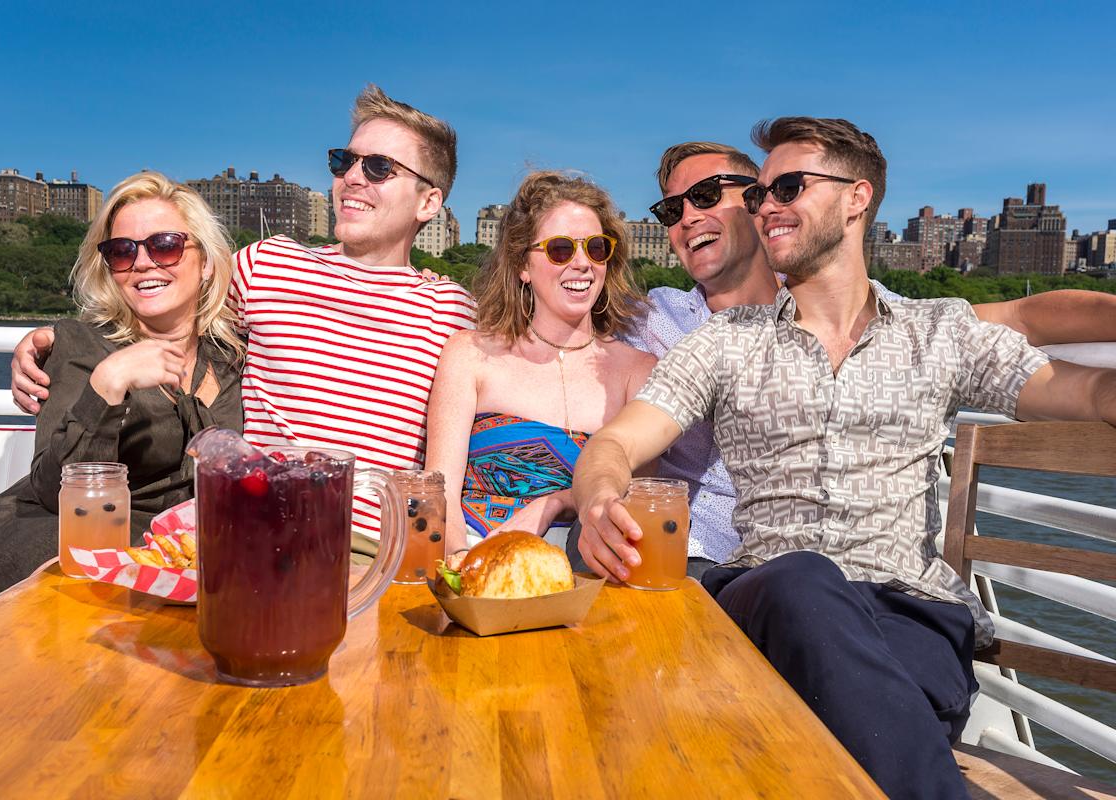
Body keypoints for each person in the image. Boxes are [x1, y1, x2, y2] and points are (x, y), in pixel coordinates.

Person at [571, 117, 1116, 800]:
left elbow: (1082, 387)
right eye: (759, 193)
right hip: (768, 599)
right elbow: (618, 443)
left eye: (788, 187)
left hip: (906, 616)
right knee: (803, 580)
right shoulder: (722, 343)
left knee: (842, 717)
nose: (765, 205)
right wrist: (598, 498)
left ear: (857, 197)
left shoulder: (939, 331)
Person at [591, 139, 1116, 576]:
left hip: (843, 575)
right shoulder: (652, 317)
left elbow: (1024, 318)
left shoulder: (854, 310)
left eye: (705, 195)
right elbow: (546, 331)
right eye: (670, 209)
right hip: (702, 561)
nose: (686, 217)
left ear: (760, 203)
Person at [9, 86, 476, 559]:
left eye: (378, 167)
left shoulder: (453, 311)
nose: (352, 178)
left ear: (428, 203)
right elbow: (166, 293)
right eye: (344, 161)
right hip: (257, 537)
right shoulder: (267, 265)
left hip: (376, 553)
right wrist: (55, 339)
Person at [0, 172, 244, 633]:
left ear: (207, 262)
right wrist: (109, 384)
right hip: (63, 542)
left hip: (178, 562)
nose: (144, 263)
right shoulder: (83, 346)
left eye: (166, 245)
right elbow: (57, 488)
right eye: (122, 251)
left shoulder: (234, 358)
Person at [425, 172, 655, 557]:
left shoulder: (638, 372)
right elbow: (440, 491)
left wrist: (556, 502)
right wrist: (462, 573)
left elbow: (640, 503)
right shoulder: (470, 355)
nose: (582, 264)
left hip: (590, 573)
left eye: (596, 248)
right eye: (560, 250)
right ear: (522, 266)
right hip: (475, 558)